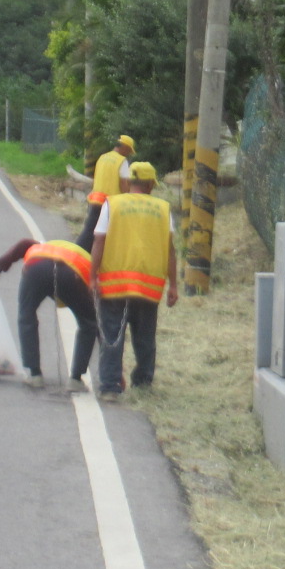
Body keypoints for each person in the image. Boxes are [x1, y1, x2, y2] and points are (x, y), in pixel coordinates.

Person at [87, 160, 179, 400]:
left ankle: (110, 387)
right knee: (145, 337)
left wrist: (92, 277)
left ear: (128, 182)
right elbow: (170, 250)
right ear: (150, 185)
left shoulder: (112, 204)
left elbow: (99, 240)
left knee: (112, 335)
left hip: (114, 285)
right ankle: (143, 381)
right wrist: (173, 285)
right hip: (148, 287)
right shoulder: (163, 209)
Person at [0, 227, 98, 391]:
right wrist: (114, 369)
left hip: (36, 269)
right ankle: (75, 379)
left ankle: (35, 375)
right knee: (89, 324)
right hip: (71, 276)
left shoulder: (43, 247)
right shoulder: (88, 263)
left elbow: (24, 243)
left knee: (27, 315)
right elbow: (98, 324)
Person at [82, 133, 134, 244]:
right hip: (111, 203)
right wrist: (129, 198)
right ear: (125, 147)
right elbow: (124, 185)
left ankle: (82, 250)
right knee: (107, 236)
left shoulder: (103, 157)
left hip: (95, 199)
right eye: (129, 151)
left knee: (90, 231)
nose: (129, 154)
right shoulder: (122, 161)